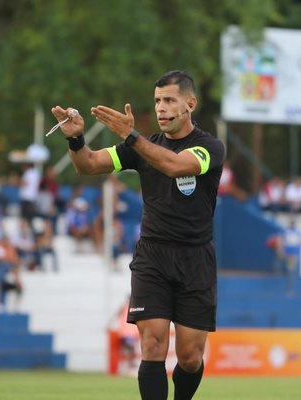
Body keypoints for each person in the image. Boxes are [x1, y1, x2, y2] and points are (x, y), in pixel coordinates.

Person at [51, 70, 224, 400]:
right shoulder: (141, 147)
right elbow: (87, 164)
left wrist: (132, 138)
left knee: (189, 358)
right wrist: (75, 139)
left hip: (195, 259)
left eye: (170, 100)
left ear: (190, 104)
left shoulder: (209, 147)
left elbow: (175, 166)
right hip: (152, 257)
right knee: (153, 343)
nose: (161, 107)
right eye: (157, 101)